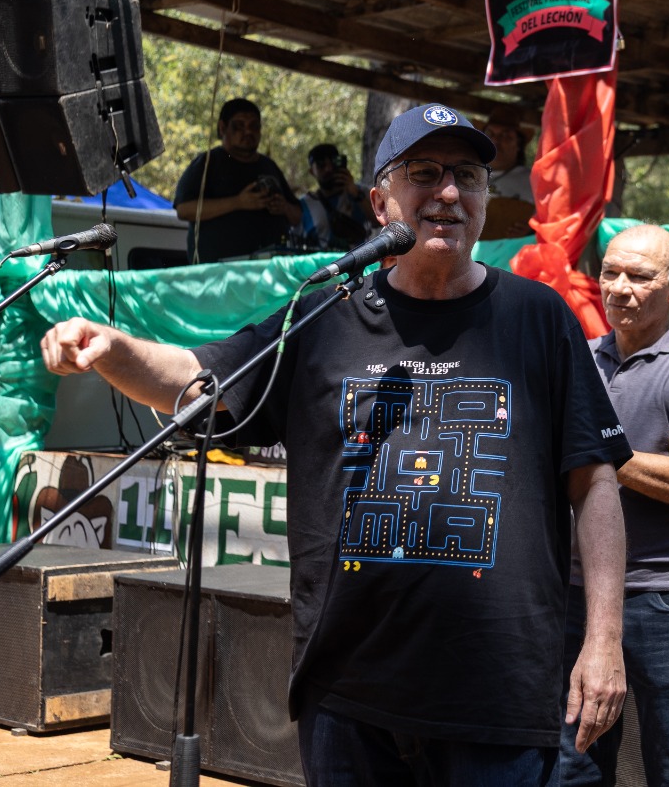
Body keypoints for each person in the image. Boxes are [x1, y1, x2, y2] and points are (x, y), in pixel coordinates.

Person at [43, 102, 632, 787]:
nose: (448, 192)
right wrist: (113, 349)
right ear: (380, 203)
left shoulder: (540, 318)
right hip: (348, 692)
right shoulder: (324, 315)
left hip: (496, 696)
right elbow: (202, 378)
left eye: (467, 176)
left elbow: (596, 482)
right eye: (424, 173)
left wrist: (604, 640)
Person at [559, 224, 669, 787]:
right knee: (573, 765)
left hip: (667, 595)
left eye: (638, 276)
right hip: (577, 593)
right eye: (610, 273)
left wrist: (588, 449)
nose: (619, 288)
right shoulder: (582, 358)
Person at [173, 98, 301, 263]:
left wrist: (284, 207)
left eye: (254, 126)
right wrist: (238, 202)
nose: (248, 132)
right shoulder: (207, 163)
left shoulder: (269, 166)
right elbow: (184, 210)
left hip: (270, 268)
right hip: (222, 271)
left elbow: (297, 216)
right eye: (239, 126)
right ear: (222, 128)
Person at [298, 142, 375, 250]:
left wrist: (356, 194)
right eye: (321, 165)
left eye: (333, 162)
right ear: (312, 171)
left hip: (363, 258)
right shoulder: (305, 204)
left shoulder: (361, 192)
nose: (328, 169)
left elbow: (378, 221)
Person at [483, 104, 535, 202]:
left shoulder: (533, 182)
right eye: (490, 134)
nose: (495, 140)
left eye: (505, 135)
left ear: (519, 144)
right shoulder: (465, 174)